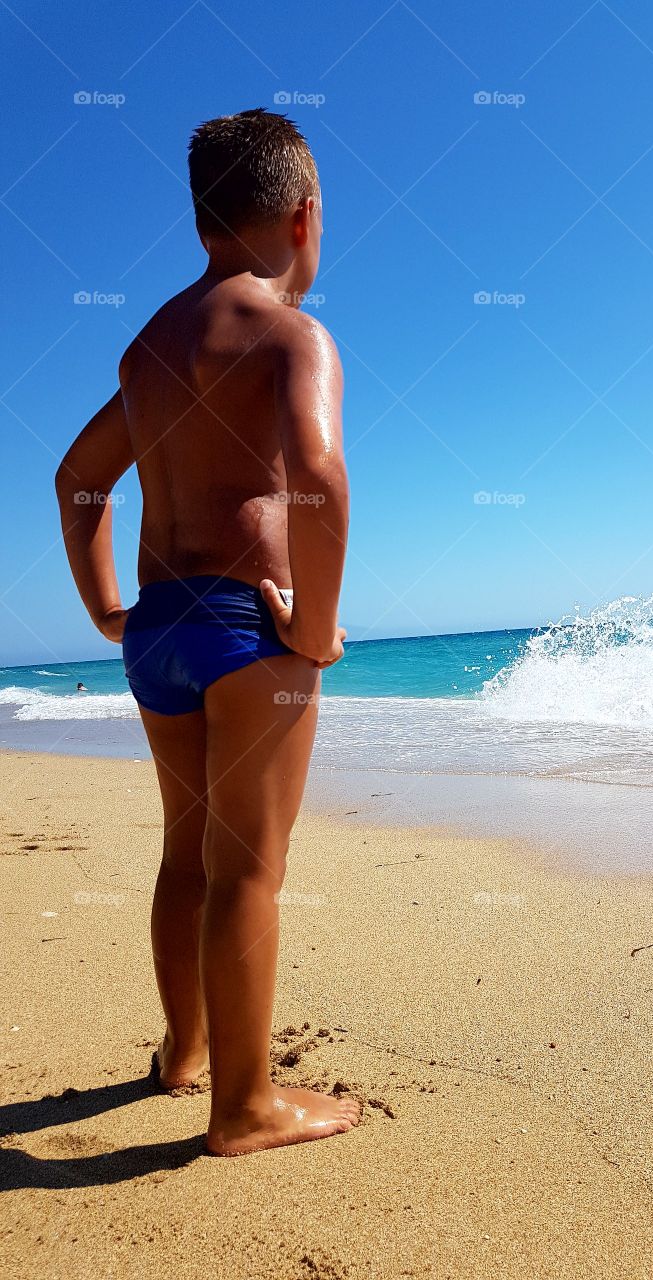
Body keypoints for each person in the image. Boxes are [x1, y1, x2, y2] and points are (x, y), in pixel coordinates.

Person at [55, 109, 359, 1156]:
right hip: (246, 631)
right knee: (249, 871)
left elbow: (78, 478)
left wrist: (106, 609)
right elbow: (317, 476)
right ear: (304, 217)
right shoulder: (291, 335)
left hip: (160, 630)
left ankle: (182, 1053)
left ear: (201, 224)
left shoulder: (149, 347)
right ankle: (245, 1104)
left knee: (187, 853)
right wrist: (313, 628)